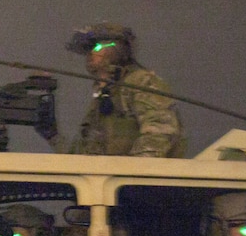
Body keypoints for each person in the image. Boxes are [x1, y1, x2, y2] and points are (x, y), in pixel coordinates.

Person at [38, 22, 186, 158]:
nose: (90, 54)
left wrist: (130, 177)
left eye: (96, 47)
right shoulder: (105, 95)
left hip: (132, 184)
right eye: (88, 49)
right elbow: (84, 159)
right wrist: (54, 137)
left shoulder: (140, 82)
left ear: (117, 49)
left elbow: (160, 134)